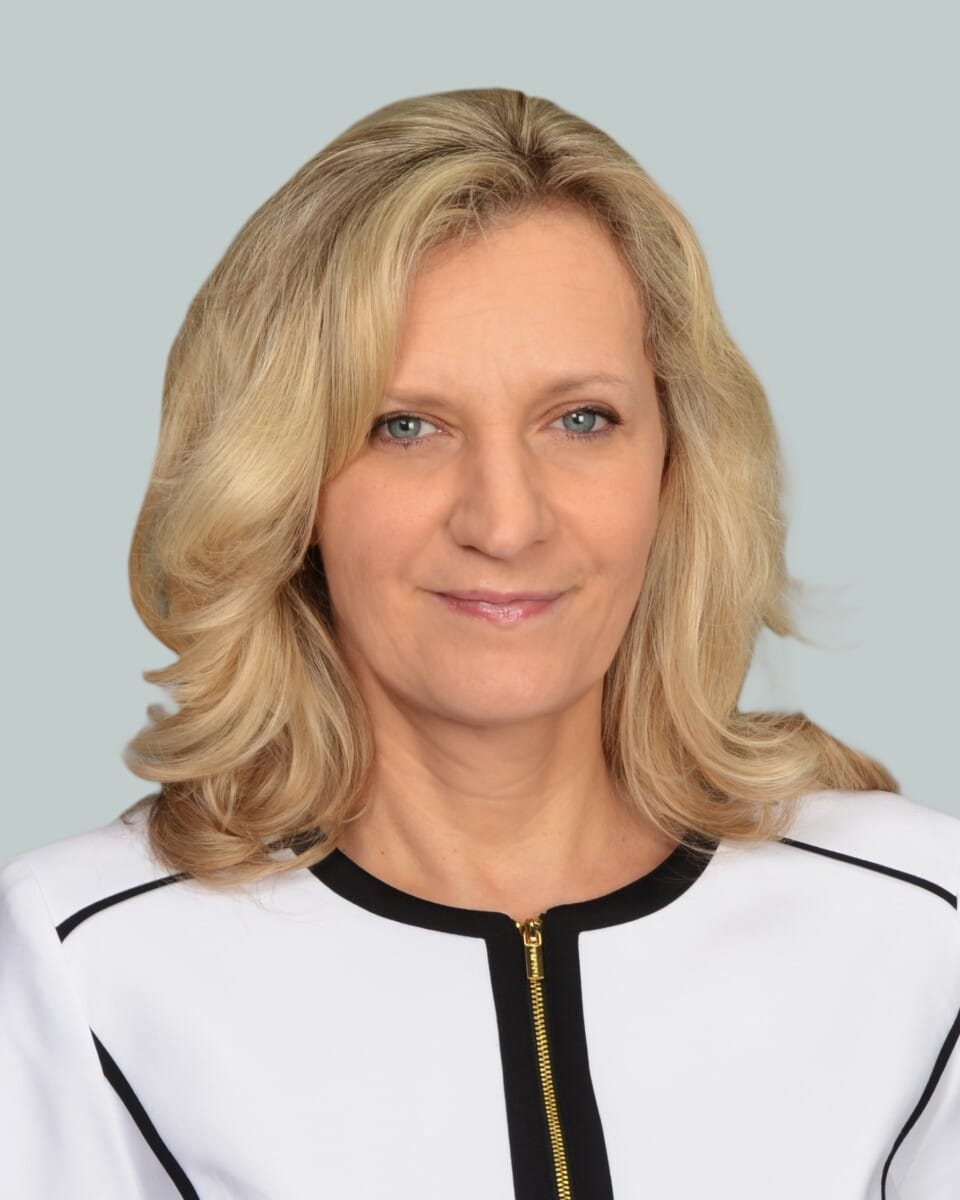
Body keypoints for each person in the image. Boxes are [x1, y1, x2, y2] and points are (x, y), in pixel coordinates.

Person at [1, 86, 957, 1200]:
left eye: (581, 420)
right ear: (285, 487)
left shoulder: (921, 926)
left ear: (675, 464)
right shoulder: (84, 969)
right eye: (405, 426)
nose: (505, 522)